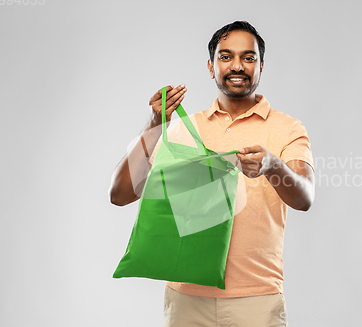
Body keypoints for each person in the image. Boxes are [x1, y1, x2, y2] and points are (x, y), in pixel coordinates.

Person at [109, 21, 315, 327]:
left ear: (261, 66)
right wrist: (155, 123)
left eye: (248, 58)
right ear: (211, 66)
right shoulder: (181, 128)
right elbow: (121, 194)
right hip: (186, 300)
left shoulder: (286, 128)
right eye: (225, 56)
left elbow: (305, 197)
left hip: (256, 300)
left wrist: (272, 165)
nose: (237, 66)